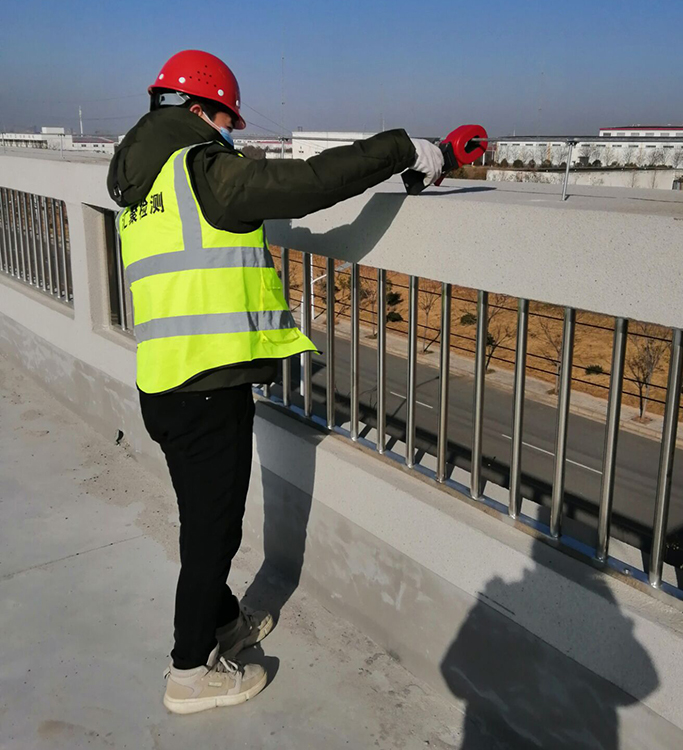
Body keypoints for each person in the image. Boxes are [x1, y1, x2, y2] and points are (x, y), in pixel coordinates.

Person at [106, 49, 444, 715]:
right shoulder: (202, 171)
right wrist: (403, 147)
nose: (230, 131)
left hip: (164, 383)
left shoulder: (141, 186)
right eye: (226, 118)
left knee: (203, 522)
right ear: (201, 111)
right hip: (207, 389)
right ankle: (188, 672)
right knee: (213, 535)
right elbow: (313, 180)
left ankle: (224, 623)